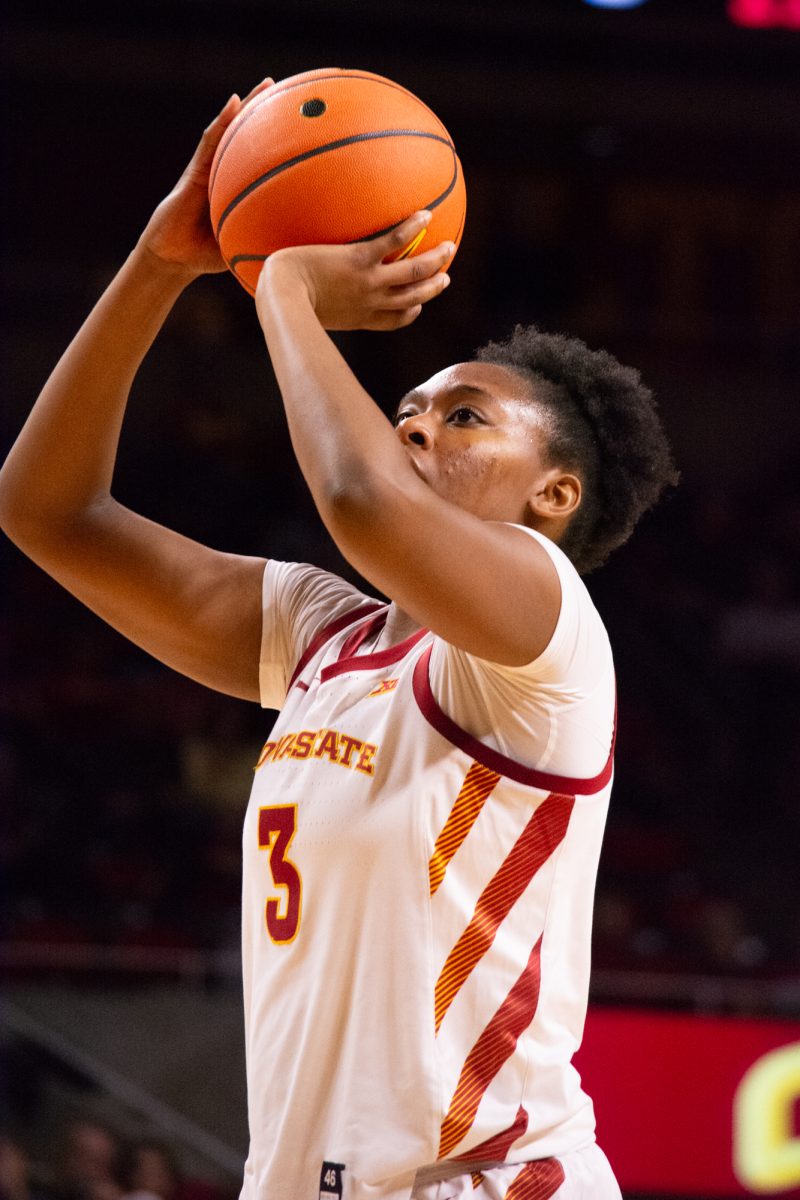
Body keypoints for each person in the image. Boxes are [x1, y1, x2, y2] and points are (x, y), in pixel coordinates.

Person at [0, 80, 678, 1200]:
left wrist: (284, 292)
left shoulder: (544, 635)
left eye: (463, 417)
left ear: (555, 494)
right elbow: (45, 511)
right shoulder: (326, 640)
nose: (414, 426)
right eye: (407, 409)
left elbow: (359, 497)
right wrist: (159, 265)